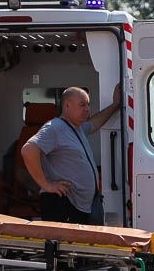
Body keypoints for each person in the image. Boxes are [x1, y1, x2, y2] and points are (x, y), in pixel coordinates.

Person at [21, 85, 121, 224]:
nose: (87, 109)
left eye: (88, 104)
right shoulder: (55, 127)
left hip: (85, 206)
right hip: (66, 205)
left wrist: (115, 104)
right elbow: (28, 150)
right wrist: (46, 184)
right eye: (82, 105)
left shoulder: (76, 127)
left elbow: (94, 123)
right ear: (67, 105)